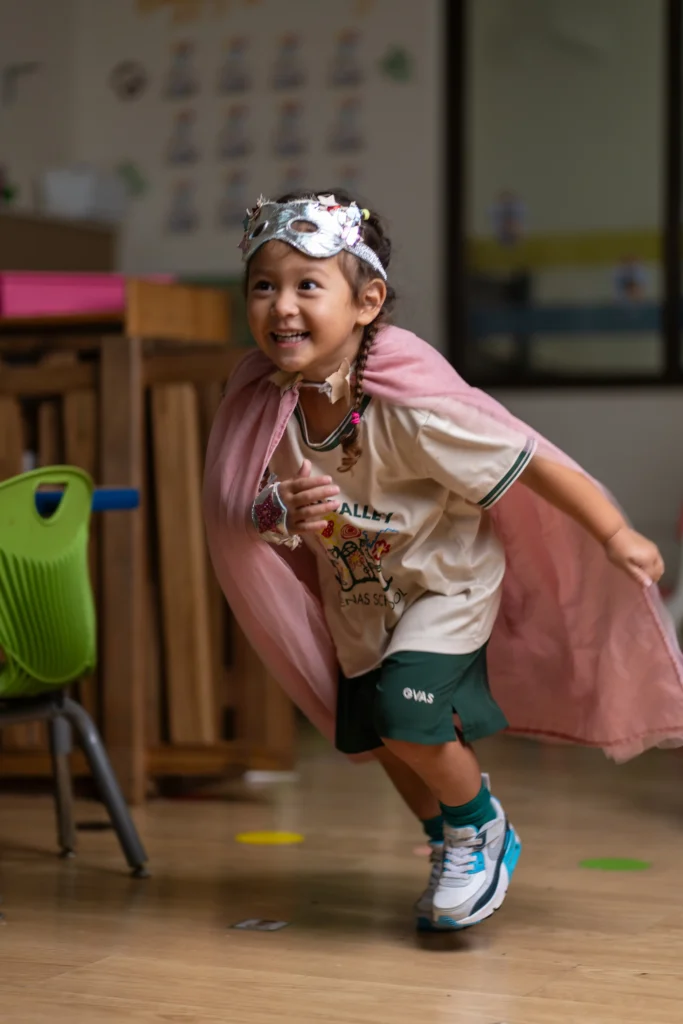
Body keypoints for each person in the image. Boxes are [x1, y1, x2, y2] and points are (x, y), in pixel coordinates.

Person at [204, 191, 682, 933]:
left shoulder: (408, 407)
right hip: (361, 602)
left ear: (366, 303)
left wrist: (613, 530)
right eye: (263, 285)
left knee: (407, 716)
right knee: (381, 739)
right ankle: (447, 841)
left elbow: (527, 459)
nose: (282, 306)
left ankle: (481, 827)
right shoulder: (268, 407)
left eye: (307, 285)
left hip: (445, 588)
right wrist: (280, 512)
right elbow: (245, 509)